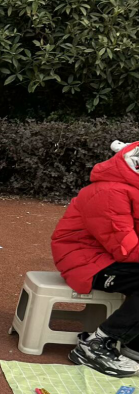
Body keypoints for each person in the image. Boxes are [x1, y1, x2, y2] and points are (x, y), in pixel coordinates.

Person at [52, 141, 139, 377]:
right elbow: (126, 249)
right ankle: (96, 344)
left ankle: (132, 345)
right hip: (87, 262)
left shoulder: (130, 188)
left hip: (108, 257)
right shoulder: (109, 192)